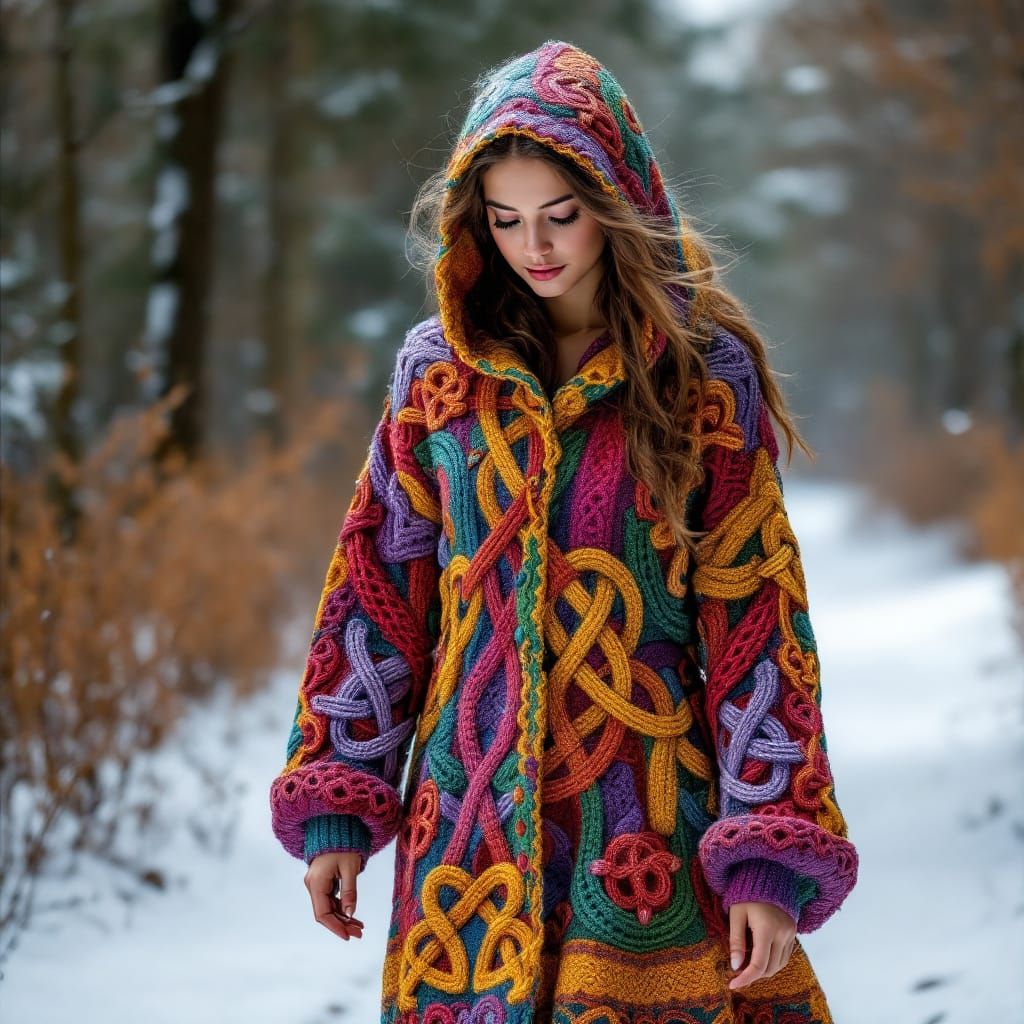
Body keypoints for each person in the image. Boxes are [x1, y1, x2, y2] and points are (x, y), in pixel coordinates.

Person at [269, 38, 859, 1024]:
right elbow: (374, 598)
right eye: (503, 221)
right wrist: (342, 794)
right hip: (468, 824)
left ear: (615, 203)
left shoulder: (700, 378)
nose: (533, 246)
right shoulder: (437, 380)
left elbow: (758, 624)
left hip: (642, 822)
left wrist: (767, 845)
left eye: (560, 216)